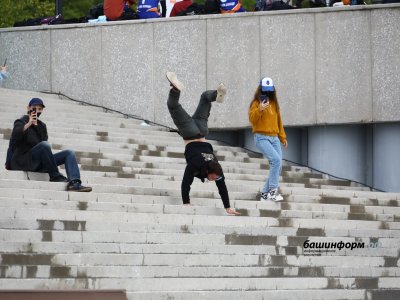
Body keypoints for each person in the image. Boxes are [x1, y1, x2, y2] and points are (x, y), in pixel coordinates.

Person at [166, 72, 240, 216]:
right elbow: (186, 182)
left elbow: (222, 188)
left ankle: (215, 95)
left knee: (204, 98)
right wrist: (186, 202)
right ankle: (175, 88)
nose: (213, 180)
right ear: (209, 172)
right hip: (191, 134)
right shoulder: (195, 165)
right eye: (213, 177)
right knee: (172, 105)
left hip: (202, 130)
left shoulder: (217, 168)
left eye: (214, 178)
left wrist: (228, 208)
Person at [8, 97, 92, 192]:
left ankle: (74, 183)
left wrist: (36, 126)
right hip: (24, 161)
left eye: (40, 109)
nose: (37, 111)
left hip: (40, 162)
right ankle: (55, 176)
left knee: (69, 153)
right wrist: (29, 123)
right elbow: (16, 136)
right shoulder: (21, 121)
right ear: (28, 108)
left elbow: (43, 144)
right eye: (34, 108)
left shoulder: (42, 126)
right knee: (44, 145)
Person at [248, 77, 288, 202]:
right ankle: (273, 191)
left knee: (278, 164)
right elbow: (252, 120)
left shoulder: (274, 103)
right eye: (265, 90)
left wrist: (282, 137)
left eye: (270, 90)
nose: (268, 92)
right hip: (261, 137)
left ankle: (265, 194)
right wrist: (260, 109)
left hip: (274, 138)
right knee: (276, 160)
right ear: (260, 89)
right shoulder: (255, 103)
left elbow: (279, 121)